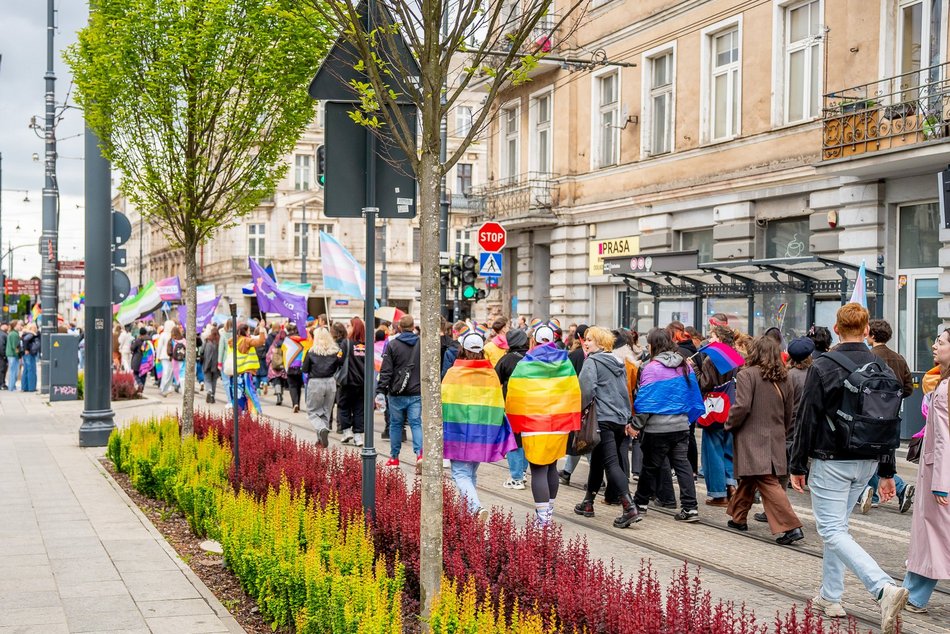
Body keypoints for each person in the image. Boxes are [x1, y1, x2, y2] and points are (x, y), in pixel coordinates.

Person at [790, 303, 909, 631]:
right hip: (868, 462)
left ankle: (882, 587)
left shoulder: (823, 365)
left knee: (830, 529)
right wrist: (887, 471)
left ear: (838, 329)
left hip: (832, 460)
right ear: (867, 330)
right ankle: (831, 596)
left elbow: (807, 417)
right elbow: (889, 421)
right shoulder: (881, 364)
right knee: (838, 529)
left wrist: (797, 464)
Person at [725, 336, 804, 545]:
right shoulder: (785, 377)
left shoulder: (746, 375)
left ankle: (791, 526)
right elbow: (790, 412)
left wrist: (729, 424)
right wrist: (781, 431)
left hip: (751, 436)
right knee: (751, 477)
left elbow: (741, 406)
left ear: (755, 352)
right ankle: (738, 517)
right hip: (775, 435)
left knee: (766, 480)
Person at [505, 322, 581, 526]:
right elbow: (574, 392)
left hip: (534, 424)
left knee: (538, 469)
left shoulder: (525, 364)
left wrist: (514, 423)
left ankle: (543, 518)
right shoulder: (565, 363)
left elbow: (514, 395)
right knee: (551, 467)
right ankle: (549, 510)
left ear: (533, 340)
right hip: (559, 424)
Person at [631, 328, 705, 523]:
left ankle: (639, 504)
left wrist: (636, 425)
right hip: (681, 426)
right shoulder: (684, 365)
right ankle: (690, 508)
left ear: (654, 345)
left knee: (650, 467)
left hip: (658, 428)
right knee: (683, 465)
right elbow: (691, 393)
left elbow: (646, 402)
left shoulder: (650, 368)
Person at [442, 329, 516, 518]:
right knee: (471, 473)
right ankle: (468, 515)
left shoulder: (453, 373)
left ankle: (475, 507)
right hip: (482, 433)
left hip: (458, 432)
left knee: (459, 473)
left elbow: (444, 403)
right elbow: (497, 403)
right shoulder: (490, 374)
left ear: (462, 350)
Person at [573, 327, 641, 528]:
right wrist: (627, 417)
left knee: (611, 463)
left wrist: (579, 411)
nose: (586, 343)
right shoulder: (618, 362)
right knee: (599, 460)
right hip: (618, 419)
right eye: (586, 340)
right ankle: (588, 502)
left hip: (602, 418)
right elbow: (624, 392)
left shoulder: (592, 361)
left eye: (590, 340)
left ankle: (629, 506)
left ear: (601, 343)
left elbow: (585, 391)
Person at [902, 328, 950, 613]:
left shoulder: (945, 389)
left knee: (935, 535)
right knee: (931, 535)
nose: (934, 346)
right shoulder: (941, 382)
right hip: (937, 470)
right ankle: (911, 593)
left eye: (941, 342)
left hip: (940, 473)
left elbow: (945, 438)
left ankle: (914, 595)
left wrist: (941, 482)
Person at [857, 319, 916, 514]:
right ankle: (894, 489)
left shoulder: (869, 357)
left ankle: (874, 492)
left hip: (869, 415)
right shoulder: (898, 358)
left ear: (871, 335)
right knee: (884, 454)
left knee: (869, 456)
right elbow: (907, 387)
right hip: (892, 416)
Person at [697, 325, 740, 507]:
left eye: (712, 336)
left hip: (715, 408)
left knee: (712, 450)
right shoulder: (738, 357)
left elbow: (705, 384)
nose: (710, 339)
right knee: (729, 449)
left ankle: (718, 494)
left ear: (720, 339)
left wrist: (695, 370)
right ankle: (732, 485)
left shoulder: (711, 359)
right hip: (733, 406)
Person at [376, 315, 423, 470]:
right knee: (416, 423)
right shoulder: (421, 344)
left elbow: (386, 370)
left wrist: (381, 389)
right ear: (413, 327)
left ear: (400, 328)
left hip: (396, 393)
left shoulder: (393, 345)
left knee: (395, 425)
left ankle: (394, 458)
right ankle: (420, 455)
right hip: (416, 391)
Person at [495, 327, 529, 490]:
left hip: (512, 405)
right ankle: (522, 472)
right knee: (526, 439)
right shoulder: (533, 357)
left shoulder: (507, 359)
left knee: (514, 441)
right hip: (533, 405)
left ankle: (516, 478)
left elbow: (495, 381)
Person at [302, 327, 342, 448]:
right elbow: (339, 365)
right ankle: (321, 440)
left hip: (315, 383)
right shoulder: (335, 351)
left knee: (312, 411)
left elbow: (305, 369)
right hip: (330, 382)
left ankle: (321, 429)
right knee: (326, 412)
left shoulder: (311, 352)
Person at [339, 317, 367, 446]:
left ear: (353, 328)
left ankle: (346, 431)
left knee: (343, 406)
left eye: (349, 326)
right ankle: (358, 436)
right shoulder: (367, 345)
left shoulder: (346, 343)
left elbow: (339, 359)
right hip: (362, 383)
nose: (347, 328)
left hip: (348, 381)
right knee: (359, 409)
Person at [282, 323, 308, 413]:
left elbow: (284, 352)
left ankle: (295, 403)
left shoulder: (286, 340)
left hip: (290, 366)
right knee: (298, 386)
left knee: (292, 386)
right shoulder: (302, 339)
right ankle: (298, 405)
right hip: (300, 366)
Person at [265, 325, 287, 406]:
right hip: (284, 366)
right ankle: (280, 393)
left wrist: (268, 363)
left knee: (276, 380)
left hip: (274, 366)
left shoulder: (274, 344)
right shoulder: (286, 345)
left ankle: (278, 395)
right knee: (282, 380)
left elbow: (268, 355)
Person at [201, 325, 221, 403]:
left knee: (207, 379)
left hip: (207, 363)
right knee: (214, 380)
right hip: (216, 364)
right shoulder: (219, 342)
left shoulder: (207, 341)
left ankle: (209, 390)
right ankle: (212, 395)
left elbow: (202, 351)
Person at [19, 323, 39, 392]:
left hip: (27, 353)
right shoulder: (31, 334)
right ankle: (31, 388)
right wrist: (26, 349)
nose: (36, 329)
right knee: (31, 370)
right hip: (30, 353)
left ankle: (25, 387)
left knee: (26, 370)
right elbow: (26, 340)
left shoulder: (26, 333)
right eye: (35, 327)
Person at [130, 327, 150, 392]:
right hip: (146, 360)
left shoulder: (138, 340)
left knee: (135, 373)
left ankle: (139, 384)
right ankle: (142, 388)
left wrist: (132, 343)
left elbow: (132, 348)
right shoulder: (149, 340)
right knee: (144, 375)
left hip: (137, 360)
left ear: (140, 333)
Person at [6, 320, 21, 391]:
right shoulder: (14, 334)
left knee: (13, 371)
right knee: (14, 372)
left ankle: (12, 386)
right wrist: (18, 355)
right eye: (18, 324)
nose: (20, 326)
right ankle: (12, 387)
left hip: (11, 355)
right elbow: (15, 347)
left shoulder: (11, 333)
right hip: (13, 355)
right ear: (15, 325)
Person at [0, 323, 7, 390]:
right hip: (1, 356)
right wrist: (4, 355)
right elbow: (1, 346)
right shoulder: (3, 334)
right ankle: (2, 384)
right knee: (2, 370)